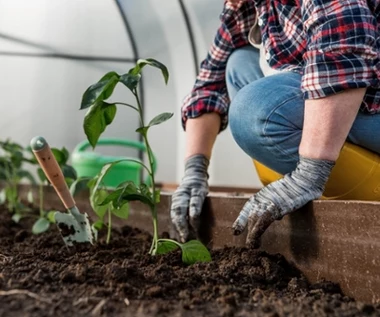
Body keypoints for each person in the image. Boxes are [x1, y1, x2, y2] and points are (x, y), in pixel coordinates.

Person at [170, 0, 380, 248]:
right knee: (237, 62)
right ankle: (317, 162)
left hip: (371, 96)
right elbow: (209, 87)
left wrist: (308, 176)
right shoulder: (245, 6)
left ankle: (315, 174)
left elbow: (344, 45)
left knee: (253, 112)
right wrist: (194, 174)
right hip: (345, 95)